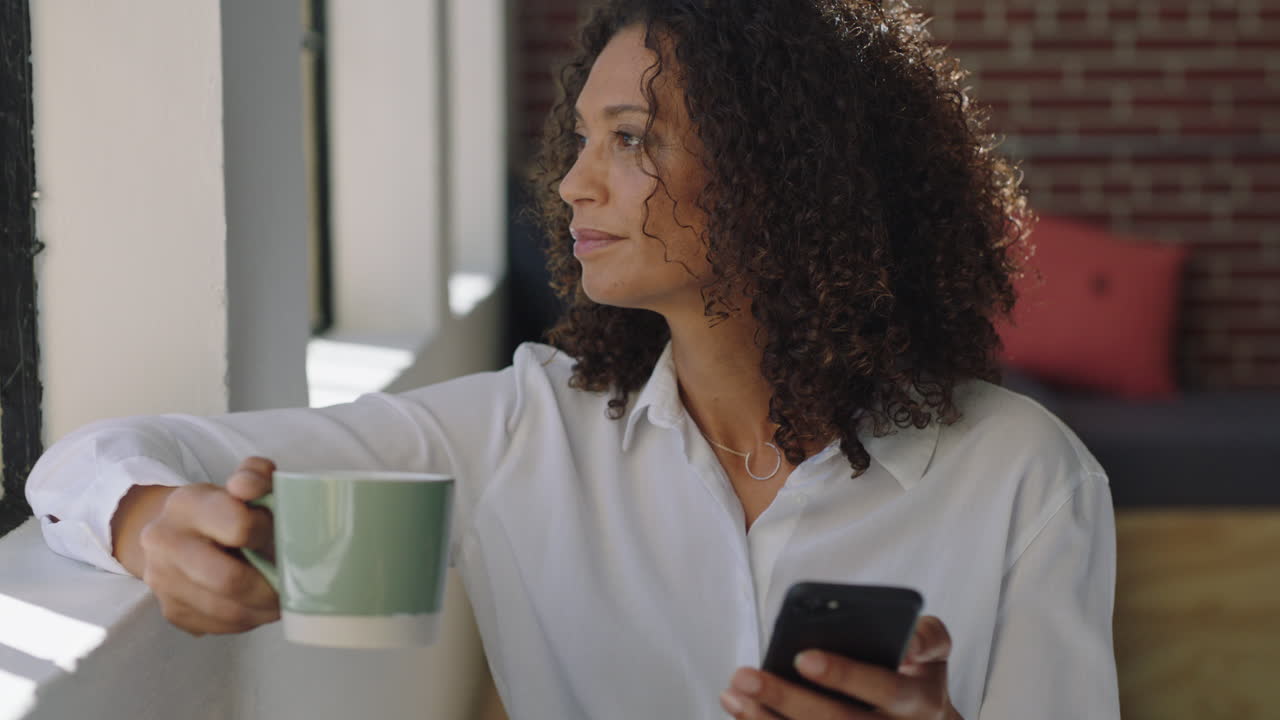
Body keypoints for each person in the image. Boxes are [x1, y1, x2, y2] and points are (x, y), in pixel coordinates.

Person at [26, 0, 1120, 718]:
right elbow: (98, 458)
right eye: (583, 138)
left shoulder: (1021, 474)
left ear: (785, 175)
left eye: (632, 138)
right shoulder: (517, 436)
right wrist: (150, 524)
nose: (572, 185)